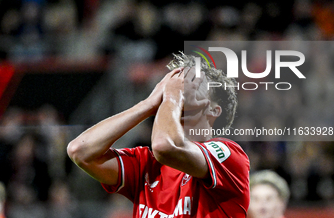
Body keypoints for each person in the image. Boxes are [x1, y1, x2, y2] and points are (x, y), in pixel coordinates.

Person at [67, 52, 250, 217]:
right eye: (177, 82)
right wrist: (146, 105)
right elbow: (80, 151)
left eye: (194, 82)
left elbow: (166, 146)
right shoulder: (147, 163)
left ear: (213, 109)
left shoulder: (230, 156)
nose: (180, 86)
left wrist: (172, 97)